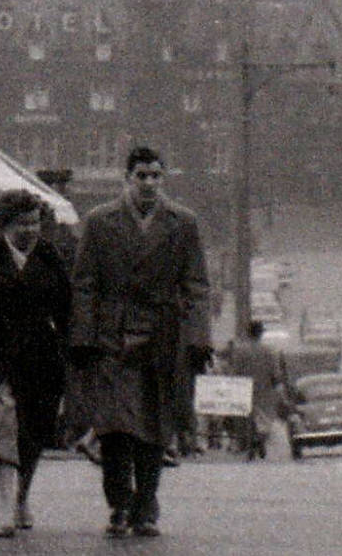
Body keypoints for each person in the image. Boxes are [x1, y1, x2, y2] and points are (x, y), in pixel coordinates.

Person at [69, 145, 211, 539]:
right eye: (141, 176)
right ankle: (119, 504)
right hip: (111, 336)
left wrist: (198, 338)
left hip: (161, 336)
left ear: (163, 178)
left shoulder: (183, 222)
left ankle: (146, 505)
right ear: (127, 179)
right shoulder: (100, 221)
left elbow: (197, 284)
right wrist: (82, 335)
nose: (149, 183)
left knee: (153, 426)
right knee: (113, 427)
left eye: (155, 176)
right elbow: (84, 284)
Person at [0, 188, 72, 539]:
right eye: (22, 223)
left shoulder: (51, 257)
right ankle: (6, 505)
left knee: (33, 433)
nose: (30, 230)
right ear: (4, 225)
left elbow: (67, 309)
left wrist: (71, 350)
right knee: (3, 424)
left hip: (41, 357)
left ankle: (21, 496)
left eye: (35, 222)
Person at [225, 320, 281, 458]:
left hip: (244, 388)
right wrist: (275, 383)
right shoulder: (269, 351)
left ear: (248, 333)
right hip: (264, 390)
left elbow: (235, 370)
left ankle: (246, 441)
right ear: (261, 334)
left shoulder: (240, 350)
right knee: (264, 418)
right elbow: (276, 373)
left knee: (245, 416)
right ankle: (260, 439)